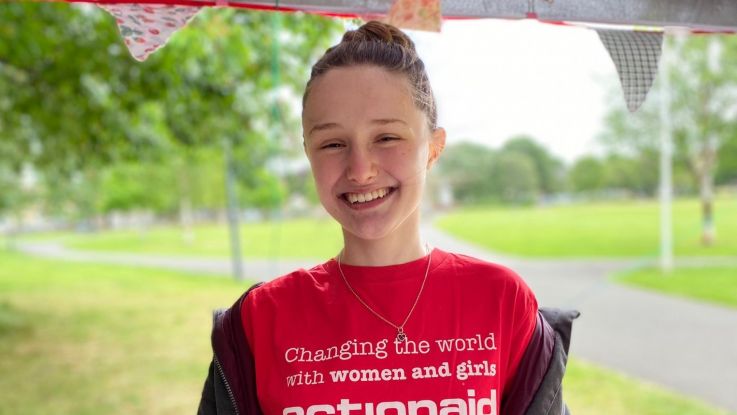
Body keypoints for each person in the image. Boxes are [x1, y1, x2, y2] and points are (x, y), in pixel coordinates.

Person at [198, 21, 578, 415]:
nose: (360, 170)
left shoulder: (501, 300)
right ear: (308, 152)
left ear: (433, 147)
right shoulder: (260, 318)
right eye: (332, 143)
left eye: (387, 137)